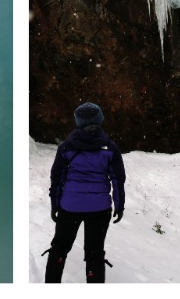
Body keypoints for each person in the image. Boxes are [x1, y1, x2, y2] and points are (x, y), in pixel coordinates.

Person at [43, 102, 125, 283]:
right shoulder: (110, 148)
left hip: (71, 206)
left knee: (60, 247)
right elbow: (118, 180)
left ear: (77, 122)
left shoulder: (66, 147)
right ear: (100, 119)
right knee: (95, 253)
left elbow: (56, 179)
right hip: (100, 208)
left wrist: (55, 205)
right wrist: (119, 206)